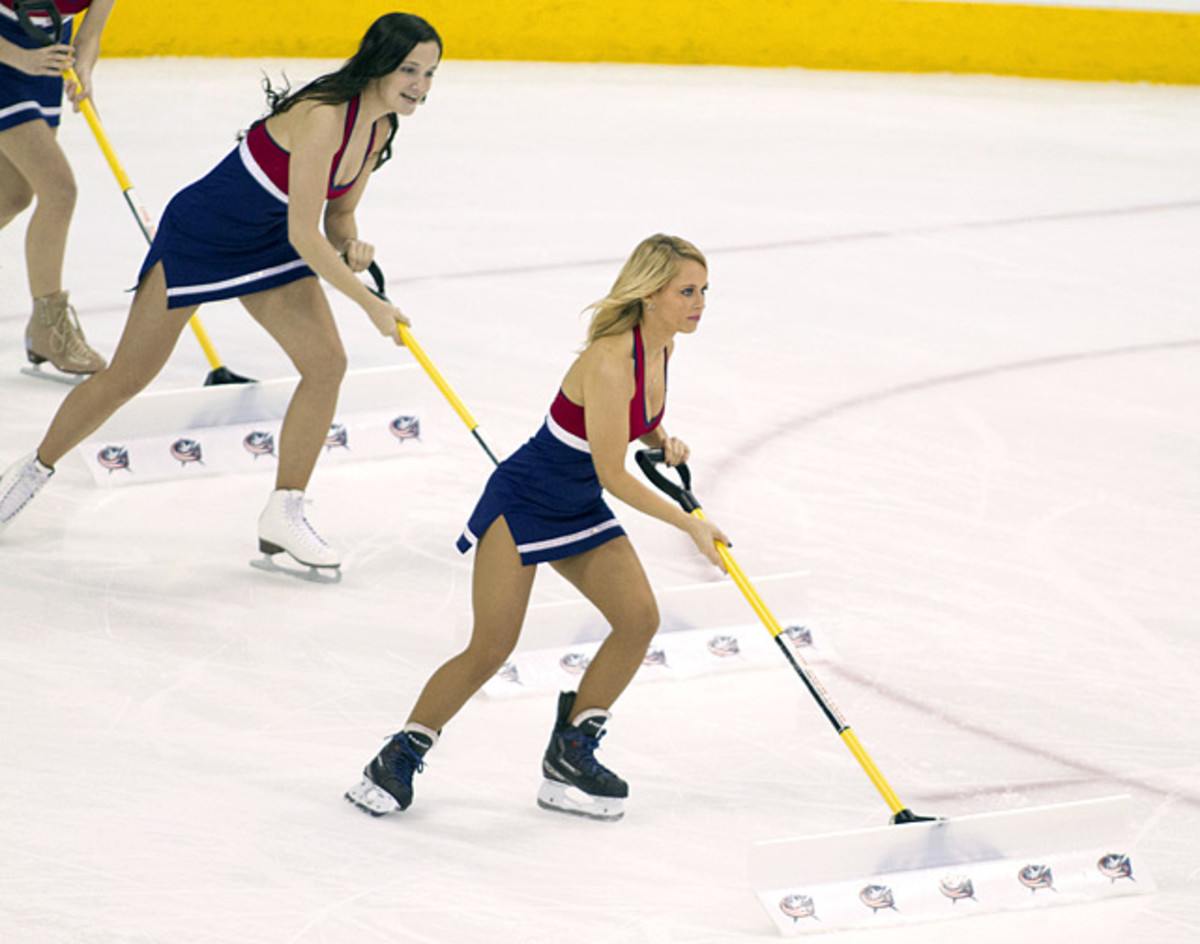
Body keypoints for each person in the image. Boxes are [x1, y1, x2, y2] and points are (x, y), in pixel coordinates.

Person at [0, 12, 442, 576]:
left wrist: (352, 244)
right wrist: (370, 303)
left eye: (430, 74)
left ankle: (285, 511)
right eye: (410, 69)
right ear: (379, 61)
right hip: (205, 233)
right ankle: (32, 471)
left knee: (327, 363)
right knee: (129, 376)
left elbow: (338, 216)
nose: (420, 86)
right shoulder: (325, 118)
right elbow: (305, 234)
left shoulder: (379, 130)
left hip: (269, 241)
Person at [345, 234, 731, 822]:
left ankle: (570, 753)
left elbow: (632, 421)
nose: (699, 301)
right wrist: (689, 526)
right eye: (687, 291)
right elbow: (611, 473)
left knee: (638, 619)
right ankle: (399, 753)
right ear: (651, 293)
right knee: (492, 646)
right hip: (526, 500)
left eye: (703, 290)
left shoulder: (663, 347)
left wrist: (659, 438)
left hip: (576, 503)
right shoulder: (608, 360)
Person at [1, 0, 116, 376]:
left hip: (48, 54)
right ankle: (48, 327)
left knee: (12, 196)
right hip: (7, 48)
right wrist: (18, 56)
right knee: (59, 190)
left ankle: (44, 331)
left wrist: (84, 66)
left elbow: (90, 33)